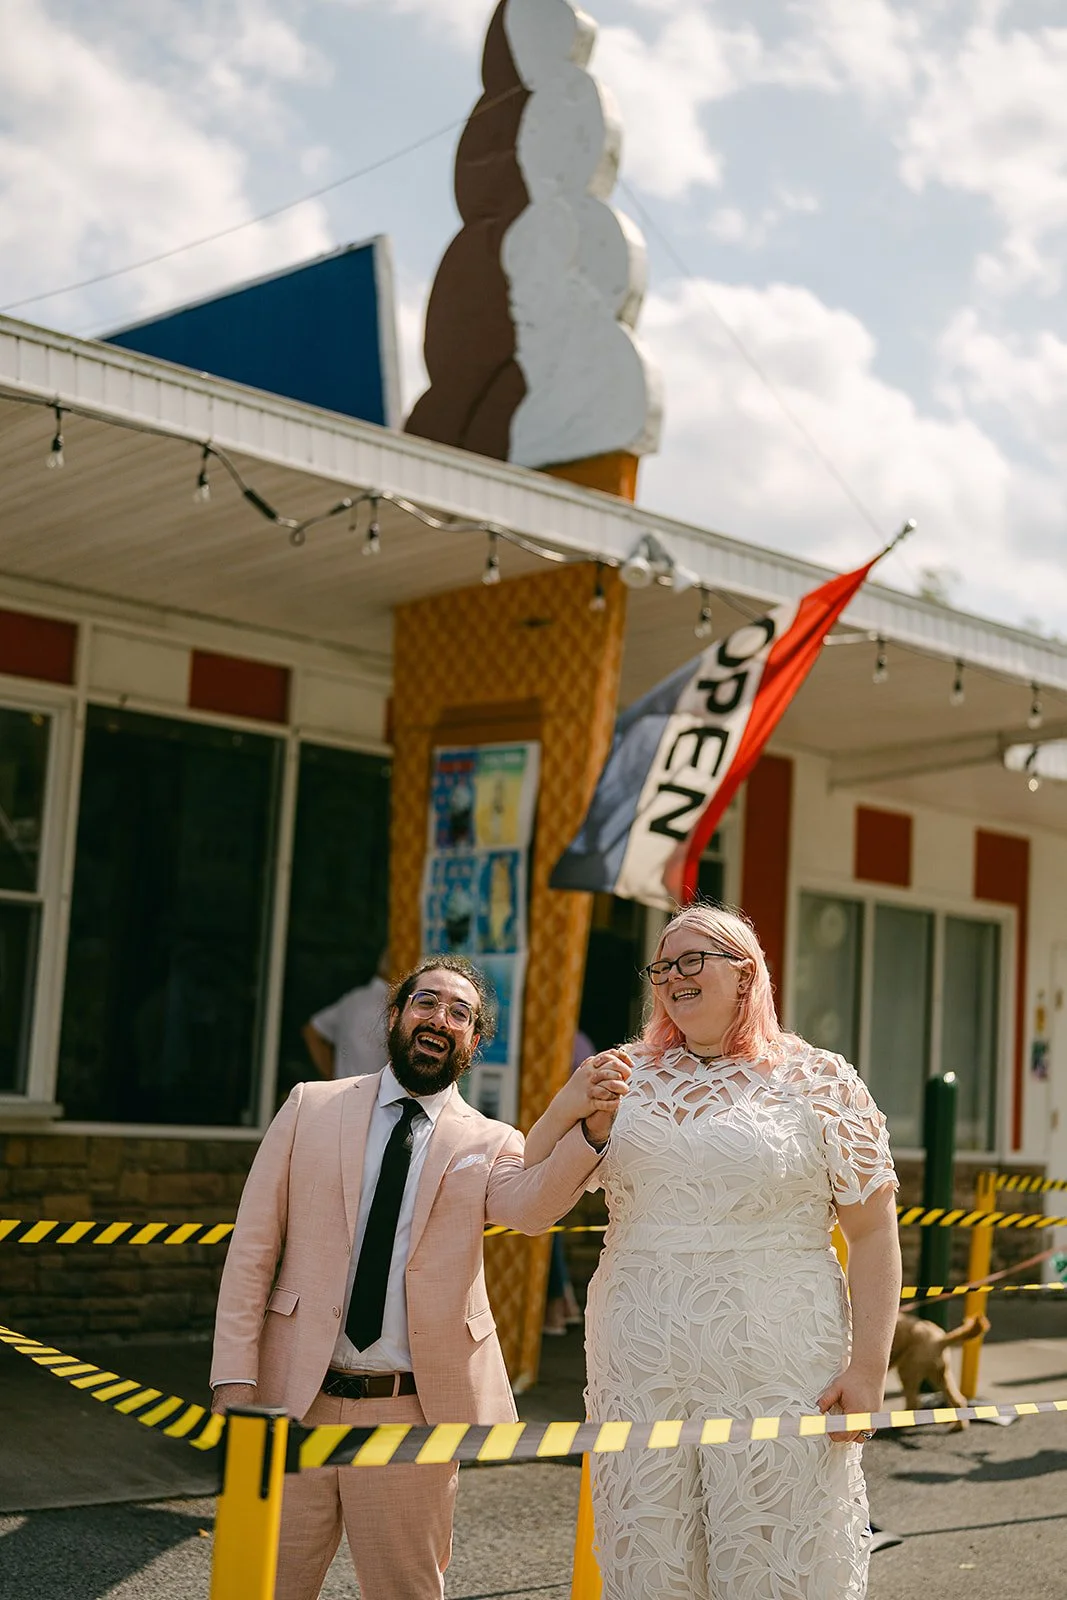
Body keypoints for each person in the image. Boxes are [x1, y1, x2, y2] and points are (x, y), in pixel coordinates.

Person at [211, 954, 620, 1600]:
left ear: (474, 1043)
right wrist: (234, 1381)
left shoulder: (488, 1140)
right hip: (291, 1399)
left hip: (412, 1415)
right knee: (261, 1589)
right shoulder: (309, 1108)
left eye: (460, 1013)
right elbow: (251, 1253)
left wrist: (587, 1130)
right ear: (396, 1016)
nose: (440, 1018)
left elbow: (532, 1209)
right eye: (426, 1002)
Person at [525, 904, 901, 1600]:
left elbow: (873, 1230)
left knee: (774, 1550)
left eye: (692, 959)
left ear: (745, 973)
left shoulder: (818, 1079)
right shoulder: (622, 1074)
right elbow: (528, 1184)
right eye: (663, 966)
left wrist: (868, 1368)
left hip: (777, 1355)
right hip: (639, 1357)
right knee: (649, 1551)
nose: (673, 976)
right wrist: (565, 1104)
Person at [543, 1027, 595, 1336]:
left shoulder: (574, 1044)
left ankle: (558, 1307)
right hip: (563, 1139)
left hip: (568, 1142)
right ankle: (563, 1304)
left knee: (551, 1230)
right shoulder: (582, 1044)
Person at [302, 955, 389, 1080]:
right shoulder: (394, 1004)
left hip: (343, 1092)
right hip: (374, 1095)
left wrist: (331, 1077)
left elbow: (312, 1030)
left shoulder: (354, 999)